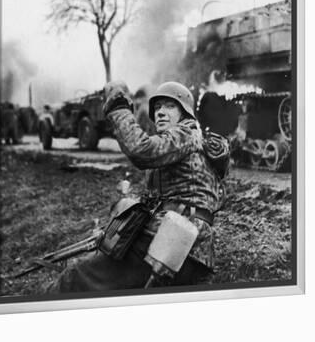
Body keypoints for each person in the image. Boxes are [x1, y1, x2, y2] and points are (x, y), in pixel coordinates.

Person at [48, 80, 228, 294]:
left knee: (75, 277)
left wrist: (118, 108)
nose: (161, 112)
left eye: (170, 106)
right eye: (158, 107)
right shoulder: (187, 145)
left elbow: (140, 150)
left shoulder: (186, 134)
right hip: (187, 248)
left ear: (186, 114)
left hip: (172, 244)